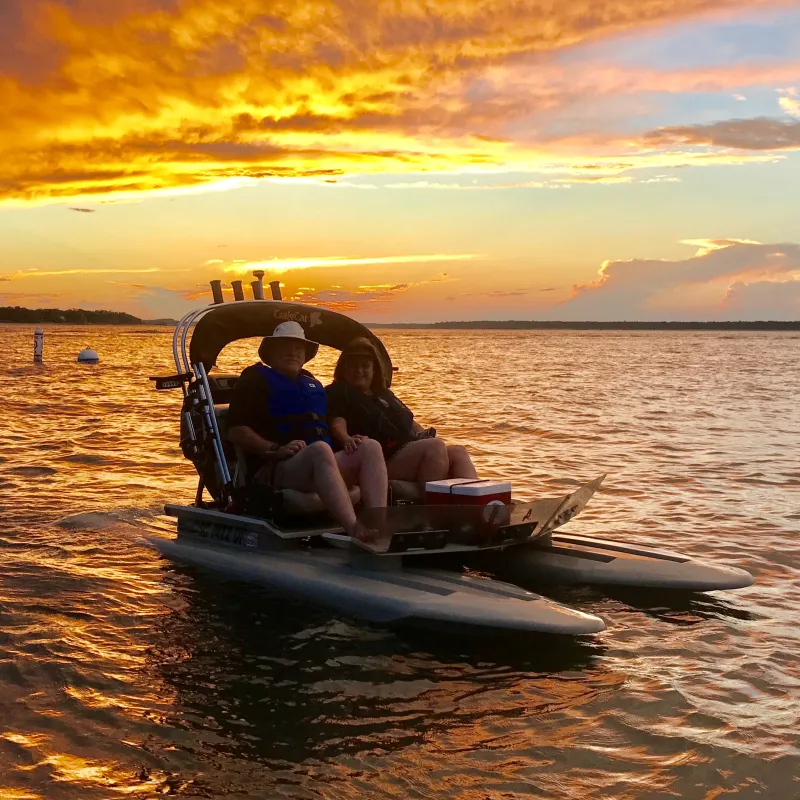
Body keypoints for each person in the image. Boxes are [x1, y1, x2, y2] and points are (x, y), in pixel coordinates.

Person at [227, 322, 387, 541]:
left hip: (319, 466)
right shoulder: (254, 380)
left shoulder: (311, 383)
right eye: (286, 347)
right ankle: (354, 529)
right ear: (271, 353)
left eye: (298, 348)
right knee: (320, 450)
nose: (293, 352)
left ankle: (379, 527)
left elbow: (324, 426)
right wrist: (274, 448)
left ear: (305, 355)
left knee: (369, 446)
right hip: (276, 469)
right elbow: (235, 430)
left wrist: (349, 439)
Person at [326, 337, 478, 488]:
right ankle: (429, 508)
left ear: (374, 369)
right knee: (434, 448)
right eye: (353, 366)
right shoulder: (339, 392)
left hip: (406, 450)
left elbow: (410, 422)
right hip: (381, 459)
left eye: (365, 366)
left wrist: (423, 435)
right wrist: (345, 438)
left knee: (459, 453)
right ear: (344, 369)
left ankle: (475, 507)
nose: (359, 371)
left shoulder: (383, 393)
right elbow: (337, 422)